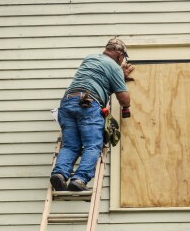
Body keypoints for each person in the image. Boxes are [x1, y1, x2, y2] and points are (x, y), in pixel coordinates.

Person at [51, 38, 134, 191]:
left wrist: (119, 76)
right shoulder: (114, 67)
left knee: (70, 145)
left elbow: (98, 77)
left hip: (68, 102)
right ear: (120, 54)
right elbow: (123, 99)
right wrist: (126, 101)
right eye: (123, 58)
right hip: (88, 104)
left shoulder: (90, 58)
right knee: (93, 145)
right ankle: (79, 179)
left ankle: (60, 174)